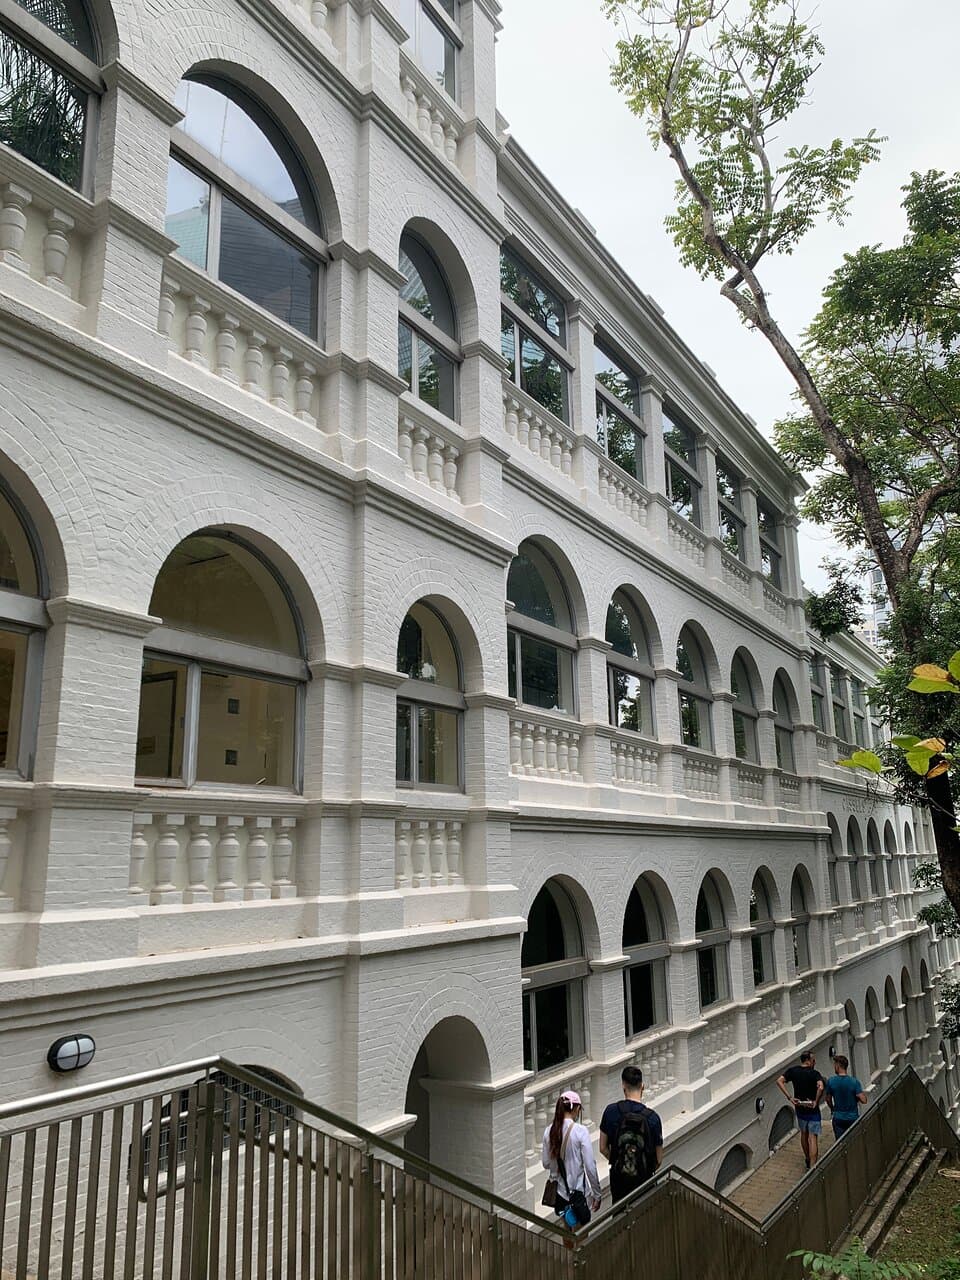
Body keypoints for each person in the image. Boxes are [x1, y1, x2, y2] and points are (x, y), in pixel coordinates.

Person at [599, 1065, 663, 1204]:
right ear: (642, 1087)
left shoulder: (610, 1112)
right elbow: (658, 1160)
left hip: (619, 1181)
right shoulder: (652, 1118)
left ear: (623, 1086)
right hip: (644, 1181)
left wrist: (619, 1161)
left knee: (620, 1216)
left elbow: (602, 1148)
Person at [541, 1090, 602, 1228]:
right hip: (579, 1193)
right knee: (581, 1232)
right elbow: (590, 1166)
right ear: (576, 1108)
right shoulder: (580, 1131)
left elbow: (545, 1163)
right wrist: (597, 1194)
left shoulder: (548, 1131)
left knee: (567, 1231)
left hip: (560, 1194)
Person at [777, 1050, 825, 1169]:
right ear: (808, 1061)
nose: (814, 1062)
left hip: (800, 1106)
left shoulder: (793, 1071)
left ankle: (807, 1159)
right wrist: (816, 1100)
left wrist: (790, 1097)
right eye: (813, 1060)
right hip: (811, 1107)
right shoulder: (814, 1073)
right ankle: (813, 1165)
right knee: (813, 1137)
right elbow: (821, 1086)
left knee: (804, 1133)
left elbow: (779, 1081)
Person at [824, 1055, 867, 1139]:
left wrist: (832, 1108)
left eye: (834, 1065)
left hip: (838, 1117)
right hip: (852, 1117)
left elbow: (828, 1099)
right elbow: (864, 1100)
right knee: (854, 1140)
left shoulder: (831, 1081)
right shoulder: (854, 1082)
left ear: (838, 1065)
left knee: (840, 1142)